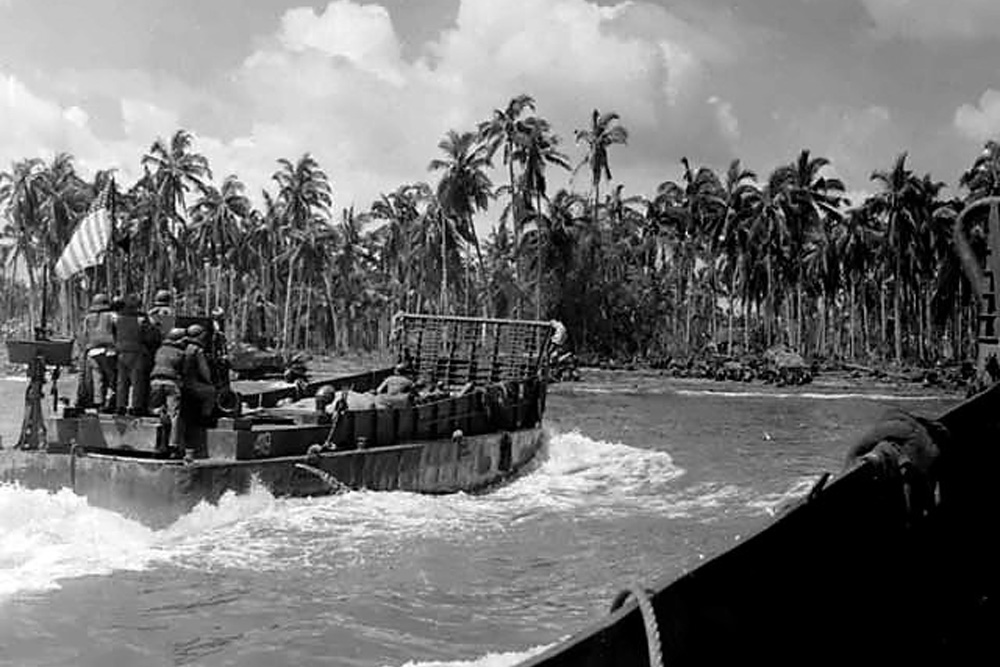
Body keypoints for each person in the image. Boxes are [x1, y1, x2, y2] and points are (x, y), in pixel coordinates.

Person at [112, 293, 155, 415]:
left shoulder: (118, 319)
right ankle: (137, 407)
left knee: (122, 381)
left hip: (121, 352)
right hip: (137, 352)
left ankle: (120, 406)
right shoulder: (142, 319)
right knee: (137, 381)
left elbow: (114, 334)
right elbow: (149, 336)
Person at [149, 327, 188, 454]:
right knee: (174, 415)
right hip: (171, 383)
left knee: (156, 412)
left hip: (155, 382)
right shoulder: (181, 352)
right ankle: (173, 445)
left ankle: (157, 444)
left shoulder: (160, 350)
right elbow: (186, 371)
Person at [78, 292, 116, 410]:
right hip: (109, 351)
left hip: (92, 352)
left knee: (97, 379)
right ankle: (110, 400)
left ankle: (98, 403)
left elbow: (84, 335)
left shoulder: (88, 318)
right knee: (112, 378)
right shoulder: (112, 316)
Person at [182, 324, 217, 423]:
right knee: (211, 392)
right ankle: (204, 419)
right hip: (189, 383)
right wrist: (209, 382)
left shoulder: (181, 345)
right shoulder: (197, 350)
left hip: (177, 381)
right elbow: (204, 370)